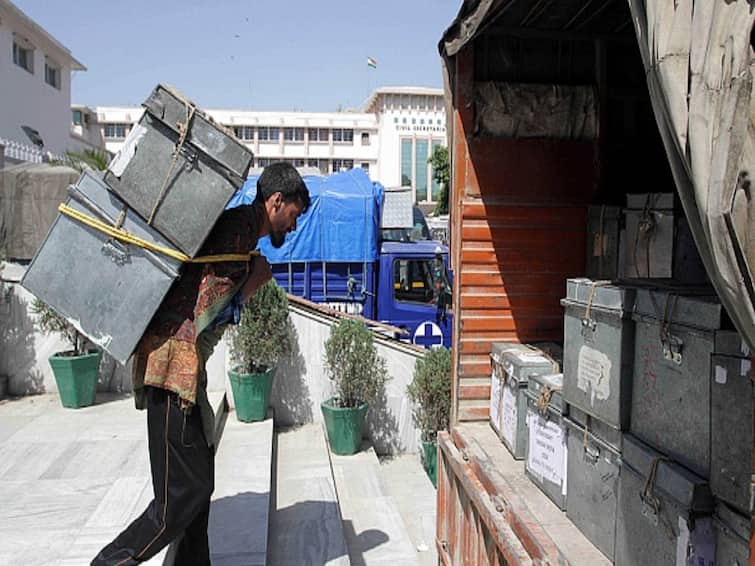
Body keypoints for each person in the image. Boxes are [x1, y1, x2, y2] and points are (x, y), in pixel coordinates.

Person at [92, 162, 310, 566]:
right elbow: (209, 308)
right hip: (172, 367)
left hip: (182, 371)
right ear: (276, 201)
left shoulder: (241, 230)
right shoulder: (239, 229)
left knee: (198, 484)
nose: (294, 227)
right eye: (294, 215)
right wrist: (253, 283)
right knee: (180, 498)